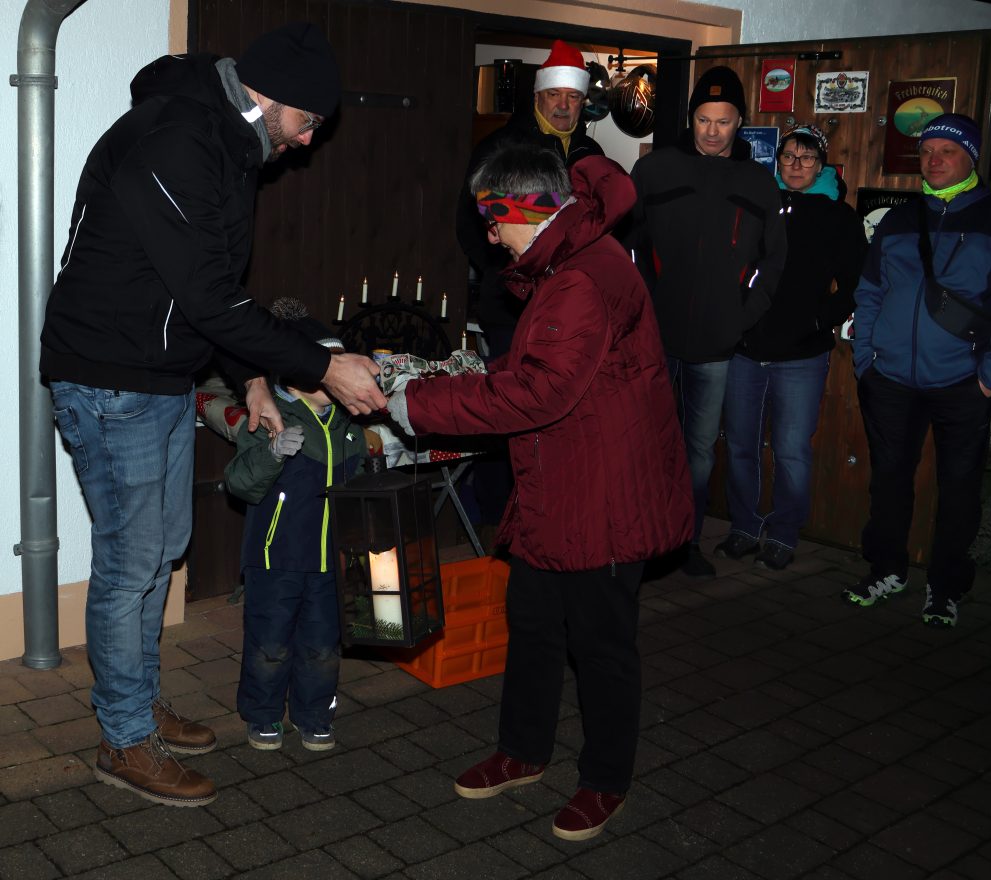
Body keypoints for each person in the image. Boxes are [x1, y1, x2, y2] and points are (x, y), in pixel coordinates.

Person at [40, 22, 386, 807]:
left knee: (163, 549)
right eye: (308, 123)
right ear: (268, 98)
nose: (308, 141)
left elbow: (215, 286)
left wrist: (251, 379)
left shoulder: (230, 146)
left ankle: (136, 701)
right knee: (130, 566)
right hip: (109, 378)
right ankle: (124, 737)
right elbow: (209, 296)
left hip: (160, 374)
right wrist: (321, 366)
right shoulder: (177, 141)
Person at [387, 143, 692, 842]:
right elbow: (539, 363)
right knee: (531, 626)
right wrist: (464, 378)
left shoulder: (583, 276)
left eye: (493, 221)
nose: (491, 238)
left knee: (601, 645)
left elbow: (541, 392)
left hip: (602, 496)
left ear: (523, 208)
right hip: (557, 483)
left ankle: (606, 780)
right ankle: (523, 750)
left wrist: (421, 404)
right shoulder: (567, 262)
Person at [844, 113, 991, 626]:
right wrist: (866, 359)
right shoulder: (899, 219)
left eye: (947, 151)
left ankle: (945, 587)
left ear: (972, 157)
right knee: (889, 482)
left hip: (963, 383)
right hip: (890, 380)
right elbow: (870, 292)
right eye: (926, 151)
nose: (934, 160)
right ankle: (887, 569)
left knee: (960, 489)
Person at [628, 65, 786, 579]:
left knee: (698, 451)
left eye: (723, 121)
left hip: (717, 342)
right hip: (655, 336)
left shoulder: (757, 182)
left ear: (740, 122)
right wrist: (640, 308)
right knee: (647, 442)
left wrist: (742, 316)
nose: (712, 131)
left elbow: (773, 261)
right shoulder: (653, 171)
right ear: (690, 118)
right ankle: (642, 542)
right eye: (703, 119)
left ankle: (686, 542)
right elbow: (627, 245)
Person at [455, 41, 604, 542]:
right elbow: (471, 225)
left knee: (559, 410)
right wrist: (511, 274)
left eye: (573, 98)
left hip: (569, 308)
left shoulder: (590, 156)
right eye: (555, 95)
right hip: (513, 305)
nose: (564, 105)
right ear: (538, 97)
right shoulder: (503, 149)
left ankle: (548, 511)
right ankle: (497, 515)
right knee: (508, 405)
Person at [716, 124, 866, 570]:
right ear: (777, 161)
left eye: (807, 157)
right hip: (746, 349)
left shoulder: (839, 217)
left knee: (792, 450)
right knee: (740, 445)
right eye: (788, 156)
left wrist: (821, 318)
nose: (797, 165)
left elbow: (859, 282)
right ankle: (744, 527)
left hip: (802, 354)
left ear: (822, 165)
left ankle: (783, 534)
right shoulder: (758, 204)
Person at [224, 299, 366, 753]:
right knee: (270, 642)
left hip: (329, 562)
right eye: (328, 366)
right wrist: (273, 452)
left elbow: (361, 485)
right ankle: (263, 713)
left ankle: (315, 713)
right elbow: (239, 482)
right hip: (275, 559)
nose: (338, 376)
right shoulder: (270, 417)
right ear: (295, 375)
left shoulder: (348, 425)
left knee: (322, 644)